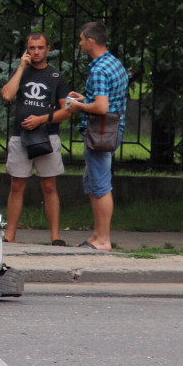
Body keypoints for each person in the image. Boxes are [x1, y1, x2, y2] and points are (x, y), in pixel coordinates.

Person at [0, 32, 72, 245]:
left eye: (40, 48)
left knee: (49, 185)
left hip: (47, 136)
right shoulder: (20, 72)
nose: (36, 52)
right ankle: (10, 235)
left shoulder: (56, 77)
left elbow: (66, 111)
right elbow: (6, 95)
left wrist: (41, 119)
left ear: (47, 49)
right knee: (17, 185)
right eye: (32, 48)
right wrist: (21, 68)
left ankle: (55, 236)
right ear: (26, 50)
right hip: (20, 136)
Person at [65, 21, 128, 252]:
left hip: (100, 131)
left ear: (90, 41)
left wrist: (76, 106)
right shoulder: (113, 63)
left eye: (81, 39)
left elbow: (102, 107)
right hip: (110, 129)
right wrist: (85, 97)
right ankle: (96, 235)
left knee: (100, 185)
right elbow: (108, 99)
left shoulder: (99, 69)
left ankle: (103, 240)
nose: (80, 43)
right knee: (93, 182)